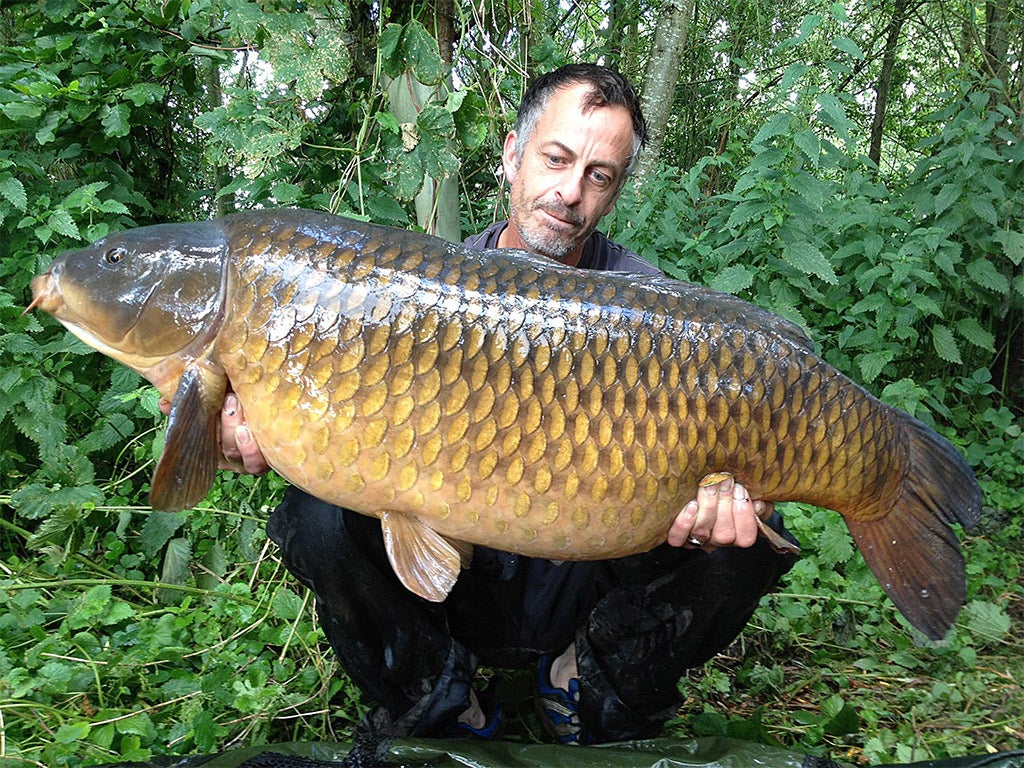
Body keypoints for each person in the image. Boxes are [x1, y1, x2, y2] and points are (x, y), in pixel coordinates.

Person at [214, 64, 798, 745]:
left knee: (747, 537)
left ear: (613, 194)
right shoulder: (424, 287)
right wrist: (244, 423)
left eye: (599, 174)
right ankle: (438, 699)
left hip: (587, 575)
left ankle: (585, 681)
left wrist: (710, 513)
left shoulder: (649, 310)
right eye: (556, 158)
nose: (570, 191)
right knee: (315, 515)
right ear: (513, 156)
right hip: (465, 580)